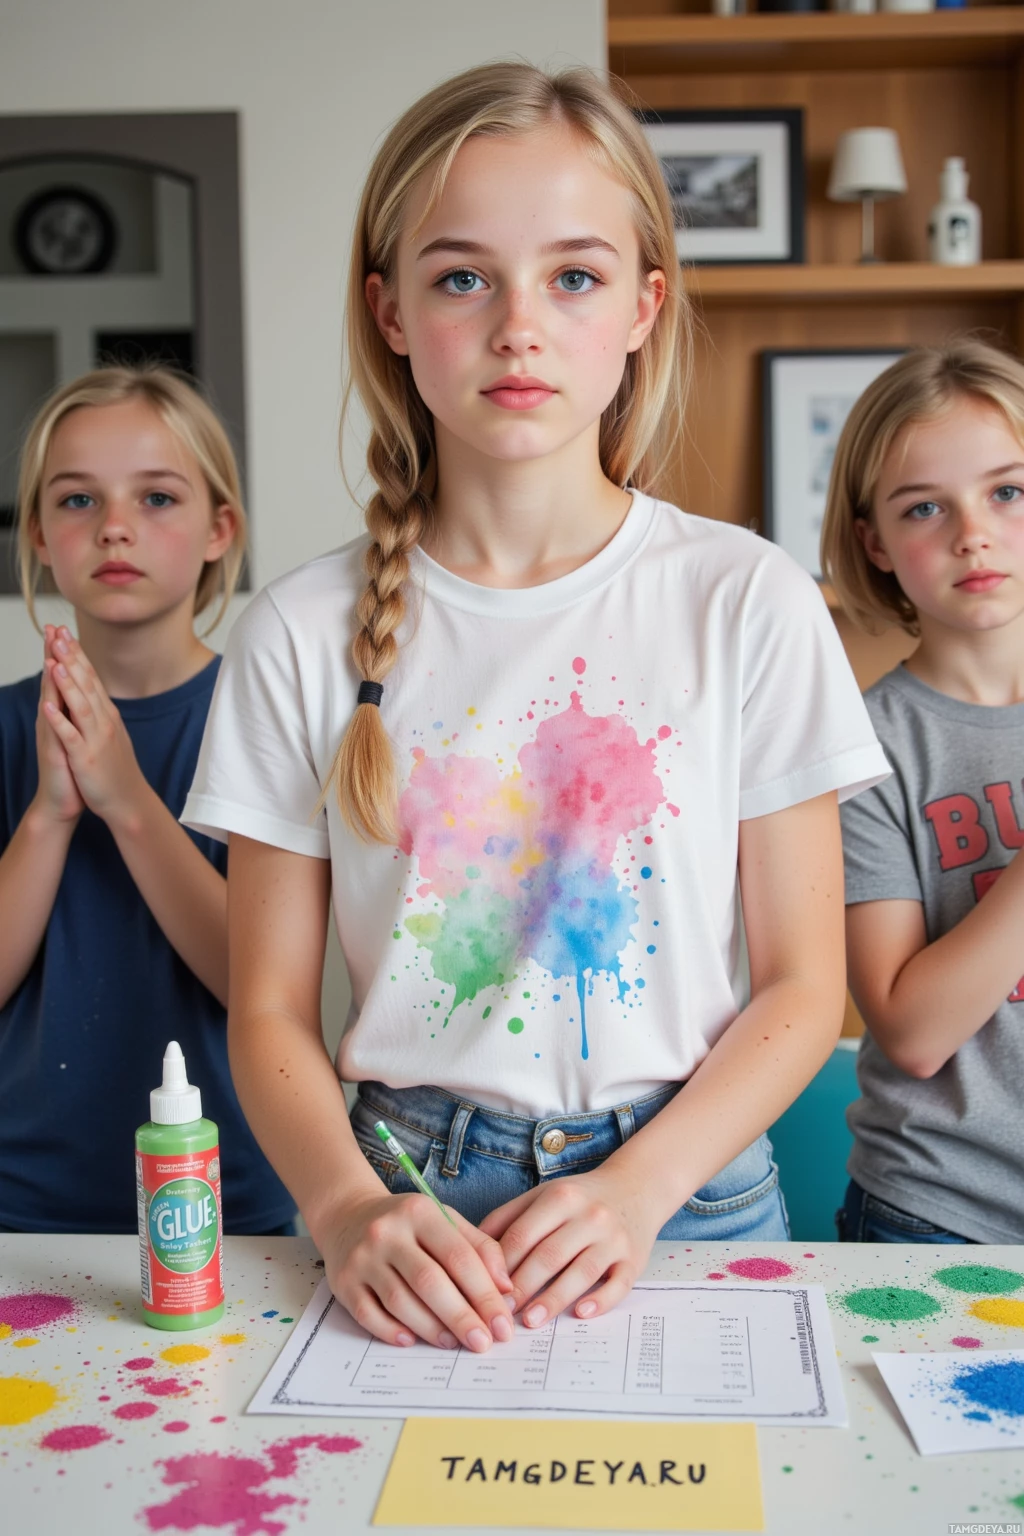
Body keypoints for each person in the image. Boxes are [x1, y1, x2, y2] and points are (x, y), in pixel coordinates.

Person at [186, 62, 886, 1351]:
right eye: (463, 277)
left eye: (573, 276)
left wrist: (640, 1188)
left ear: (642, 308)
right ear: (388, 310)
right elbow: (271, 1012)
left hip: (685, 1195)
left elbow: (800, 986)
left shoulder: (747, 598)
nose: (520, 325)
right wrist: (343, 1207)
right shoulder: (293, 632)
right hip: (402, 1212)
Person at [0, 365, 296, 1235]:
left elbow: (260, 983)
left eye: (157, 498)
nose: (115, 527)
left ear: (220, 528)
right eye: (78, 501)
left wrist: (126, 799)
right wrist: (51, 816)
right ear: (42, 538)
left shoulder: (267, 720)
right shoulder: (9, 729)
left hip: (229, 1199)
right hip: (22, 1207)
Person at [822, 338, 1024, 1246]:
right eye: (924, 507)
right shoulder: (862, 747)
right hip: (939, 1216)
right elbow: (909, 1030)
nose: (972, 533)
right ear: (874, 543)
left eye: (1007, 493)